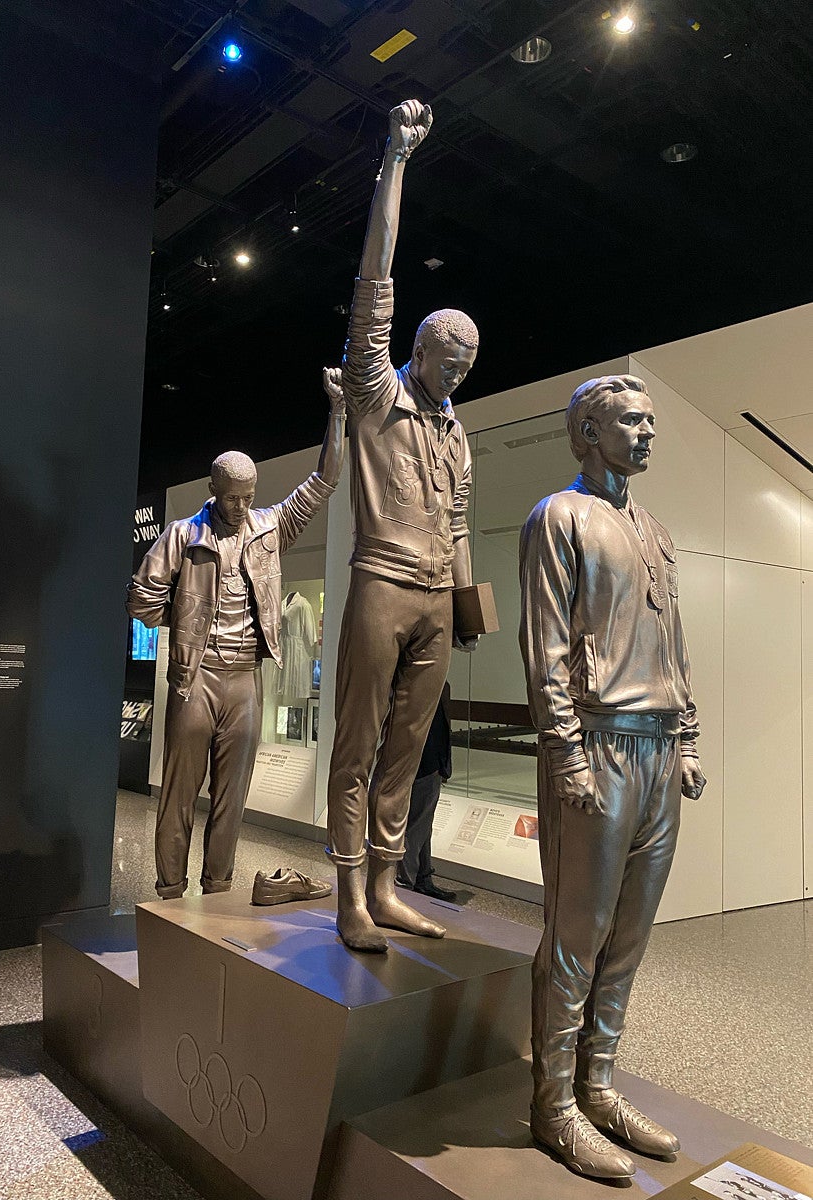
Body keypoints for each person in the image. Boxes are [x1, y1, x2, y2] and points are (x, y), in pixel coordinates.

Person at [519, 375, 706, 1179]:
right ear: (587, 434)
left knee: (628, 938)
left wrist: (689, 736)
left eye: (651, 419)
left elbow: (675, 644)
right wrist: (564, 753)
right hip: (596, 748)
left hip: (660, 751)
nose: (646, 432)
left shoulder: (656, 530)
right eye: (630, 420)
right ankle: (552, 1102)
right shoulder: (558, 518)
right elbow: (547, 650)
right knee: (576, 938)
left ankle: (597, 1082)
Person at [325, 99, 480, 953]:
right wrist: (395, 160)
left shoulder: (458, 432)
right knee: (358, 743)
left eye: (466, 368)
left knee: (409, 749)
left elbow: (458, 521)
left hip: (432, 601)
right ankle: (349, 892)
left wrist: (463, 604)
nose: (455, 377)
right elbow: (373, 285)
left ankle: (386, 885)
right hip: (380, 582)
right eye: (446, 362)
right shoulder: (377, 396)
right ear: (416, 353)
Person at [127, 369, 346, 899]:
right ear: (212, 491)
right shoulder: (183, 534)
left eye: (248, 496)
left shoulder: (270, 528)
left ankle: (218, 891)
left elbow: (324, 483)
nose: (241, 507)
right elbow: (141, 598)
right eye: (231, 498)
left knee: (233, 796)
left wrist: (338, 413)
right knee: (180, 793)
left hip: (245, 676)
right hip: (195, 676)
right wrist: (180, 628)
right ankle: (169, 893)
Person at [395, 682, 456, 901]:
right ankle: (405, 884)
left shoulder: (432, 684)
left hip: (426, 764)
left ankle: (422, 878)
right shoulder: (420, 685)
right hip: (423, 764)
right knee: (416, 826)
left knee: (422, 825)